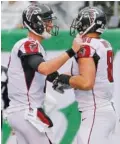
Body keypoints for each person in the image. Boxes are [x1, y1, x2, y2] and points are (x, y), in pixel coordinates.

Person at [6, 4, 82, 144]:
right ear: (35, 23)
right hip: (28, 113)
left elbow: (48, 74)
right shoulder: (29, 44)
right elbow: (45, 68)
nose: (51, 25)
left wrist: (63, 78)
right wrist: (72, 51)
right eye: (47, 21)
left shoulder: (31, 46)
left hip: (19, 112)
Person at [52, 7, 120, 144]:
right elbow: (90, 74)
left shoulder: (86, 46)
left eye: (80, 21)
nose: (77, 24)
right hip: (104, 109)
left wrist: (67, 79)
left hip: (95, 112)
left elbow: (86, 83)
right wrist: (65, 79)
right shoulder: (103, 43)